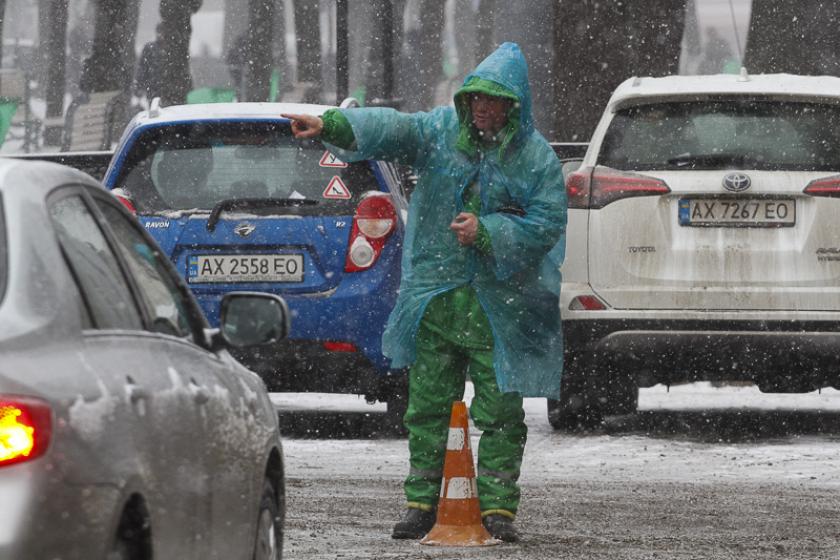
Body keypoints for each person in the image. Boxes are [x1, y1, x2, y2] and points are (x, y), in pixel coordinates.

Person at [283, 42, 567, 543]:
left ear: (513, 106)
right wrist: (332, 125)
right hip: (436, 305)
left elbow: (547, 223)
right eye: (475, 97)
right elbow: (394, 129)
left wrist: (488, 230)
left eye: (493, 99)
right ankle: (420, 503)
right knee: (428, 405)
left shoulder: (535, 158)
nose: (481, 107)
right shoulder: (439, 133)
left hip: (496, 309)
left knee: (501, 412)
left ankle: (499, 509)